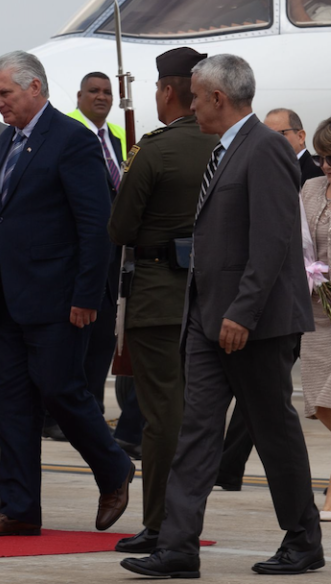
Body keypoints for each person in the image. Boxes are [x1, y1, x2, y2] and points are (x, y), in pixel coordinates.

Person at [121, 54, 323, 578]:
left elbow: (275, 239)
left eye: (194, 96)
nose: (188, 105)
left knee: (274, 431)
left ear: (216, 98)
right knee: (196, 432)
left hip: (252, 324)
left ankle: (303, 541)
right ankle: (178, 546)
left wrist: (244, 311)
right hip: (206, 320)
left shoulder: (264, 150)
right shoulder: (223, 150)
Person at [0, 51, 134, 537]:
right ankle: (19, 508)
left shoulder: (72, 141)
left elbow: (94, 227)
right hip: (14, 298)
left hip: (62, 301)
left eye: (4, 94)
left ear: (35, 88)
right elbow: (7, 220)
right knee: (12, 402)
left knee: (61, 392)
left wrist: (85, 296)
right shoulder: (7, 143)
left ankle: (113, 466)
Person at [108, 47, 218, 554]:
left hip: (159, 297)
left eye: (157, 89)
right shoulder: (225, 146)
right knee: (201, 413)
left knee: (160, 417)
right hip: (213, 299)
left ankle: (159, 522)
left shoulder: (154, 148)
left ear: (168, 90)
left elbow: (121, 228)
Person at [217, 106, 324, 491]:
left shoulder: (308, 174)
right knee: (264, 399)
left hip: (292, 302)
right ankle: (227, 467)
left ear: (299, 136)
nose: (276, 141)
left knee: (273, 403)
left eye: (283, 134)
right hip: (297, 300)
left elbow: (276, 239)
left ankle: (229, 468)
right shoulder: (309, 184)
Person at [67, 71, 144, 458]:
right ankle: (77, 413)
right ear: (78, 95)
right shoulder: (68, 131)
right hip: (83, 254)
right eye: (93, 91)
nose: (101, 97)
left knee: (105, 341)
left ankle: (93, 413)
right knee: (83, 339)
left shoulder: (117, 135)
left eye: (107, 92)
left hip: (117, 254)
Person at [299, 117, 331, 522]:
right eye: (323, 157)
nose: (325, 166)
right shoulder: (310, 188)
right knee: (319, 404)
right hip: (317, 311)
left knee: (329, 401)